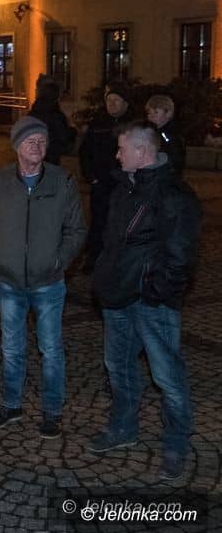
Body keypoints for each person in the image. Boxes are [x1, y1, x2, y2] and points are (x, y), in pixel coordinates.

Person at [89, 122, 201, 481]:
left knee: (167, 375)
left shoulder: (173, 194)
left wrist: (156, 291)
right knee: (118, 366)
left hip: (152, 302)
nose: (117, 155)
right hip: (117, 296)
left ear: (142, 152)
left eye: (122, 149)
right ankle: (123, 427)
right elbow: (112, 241)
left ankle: (176, 444)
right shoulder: (124, 186)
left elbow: (181, 254)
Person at [0, 117, 86, 439]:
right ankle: (11, 404)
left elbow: (76, 229)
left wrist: (59, 260)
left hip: (48, 281)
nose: (37, 146)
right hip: (9, 281)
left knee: (50, 349)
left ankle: (52, 411)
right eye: (30, 140)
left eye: (42, 140)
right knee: (11, 347)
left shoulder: (62, 182)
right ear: (16, 146)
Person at [79, 82, 132, 271]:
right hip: (101, 183)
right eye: (109, 100)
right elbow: (85, 152)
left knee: (121, 223)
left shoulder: (133, 125)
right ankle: (94, 257)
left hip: (124, 184)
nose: (112, 104)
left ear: (125, 103)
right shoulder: (98, 123)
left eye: (116, 100)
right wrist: (91, 177)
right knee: (98, 221)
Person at [28, 74, 75, 165]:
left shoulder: (33, 113)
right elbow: (63, 141)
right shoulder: (56, 116)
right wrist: (73, 131)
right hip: (50, 161)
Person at [145, 94, 186, 176]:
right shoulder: (150, 132)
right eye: (149, 113)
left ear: (168, 113)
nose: (151, 116)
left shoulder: (171, 135)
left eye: (156, 112)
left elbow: (175, 159)